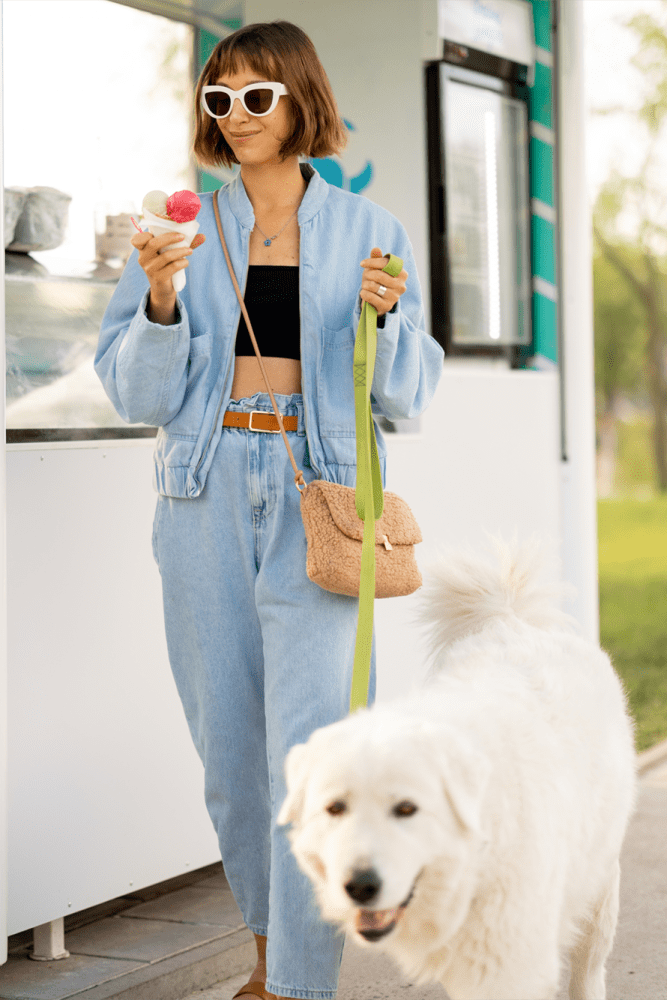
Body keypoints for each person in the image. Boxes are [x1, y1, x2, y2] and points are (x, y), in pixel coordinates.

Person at [95, 20, 444, 1000]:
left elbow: (408, 393)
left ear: (299, 100)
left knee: (315, 750)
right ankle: (267, 954)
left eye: (257, 95)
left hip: (318, 492)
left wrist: (383, 319)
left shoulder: (373, 233)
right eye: (219, 98)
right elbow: (136, 394)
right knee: (231, 759)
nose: (237, 114)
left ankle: (298, 982)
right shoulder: (177, 231)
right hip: (203, 492)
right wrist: (160, 304)